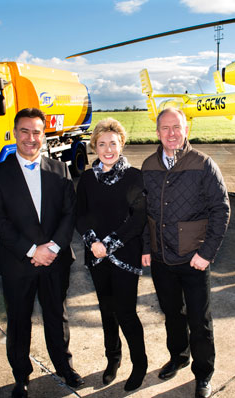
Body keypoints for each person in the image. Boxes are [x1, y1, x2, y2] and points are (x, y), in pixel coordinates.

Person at [0, 108, 84, 398]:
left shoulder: (60, 170)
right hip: (18, 262)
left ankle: (64, 366)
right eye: (24, 131)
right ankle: (21, 376)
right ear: (14, 133)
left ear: (44, 134)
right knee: (18, 321)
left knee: (57, 315)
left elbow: (69, 213)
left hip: (56, 260)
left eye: (36, 131)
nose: (30, 137)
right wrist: (31, 251)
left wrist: (51, 248)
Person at [141, 107, 230, 398]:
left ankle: (203, 374)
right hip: (161, 258)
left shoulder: (203, 164)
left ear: (186, 130)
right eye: (165, 128)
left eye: (176, 127)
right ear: (157, 132)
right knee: (171, 314)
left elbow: (221, 210)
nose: (171, 133)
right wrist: (146, 248)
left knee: (199, 320)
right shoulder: (148, 165)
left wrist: (206, 253)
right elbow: (144, 212)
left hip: (194, 259)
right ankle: (178, 357)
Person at [76, 118, 148, 391]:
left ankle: (139, 364)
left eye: (113, 144)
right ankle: (113, 360)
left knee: (126, 313)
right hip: (96, 256)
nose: (108, 149)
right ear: (94, 146)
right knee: (107, 312)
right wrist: (94, 243)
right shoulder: (86, 179)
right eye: (102, 144)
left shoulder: (134, 176)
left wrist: (110, 243)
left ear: (122, 145)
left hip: (125, 256)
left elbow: (138, 218)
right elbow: (79, 214)